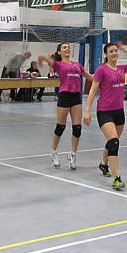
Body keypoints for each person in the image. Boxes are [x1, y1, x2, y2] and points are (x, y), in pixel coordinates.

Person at [83, 42, 127, 190]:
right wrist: (87, 110)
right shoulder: (102, 70)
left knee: (112, 142)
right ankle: (117, 178)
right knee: (114, 142)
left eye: (116, 51)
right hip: (105, 111)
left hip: (119, 112)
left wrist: (125, 48)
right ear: (106, 54)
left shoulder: (122, 69)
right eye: (111, 51)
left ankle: (104, 164)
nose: (114, 53)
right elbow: (93, 90)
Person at [38, 43, 93, 171]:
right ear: (59, 52)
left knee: (77, 128)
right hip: (64, 96)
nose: (67, 49)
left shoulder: (77, 65)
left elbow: (90, 77)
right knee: (60, 127)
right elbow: (41, 56)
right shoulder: (58, 64)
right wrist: (41, 62)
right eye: (64, 47)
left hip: (76, 97)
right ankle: (54, 152)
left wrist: (103, 74)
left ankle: (73, 154)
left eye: (68, 47)